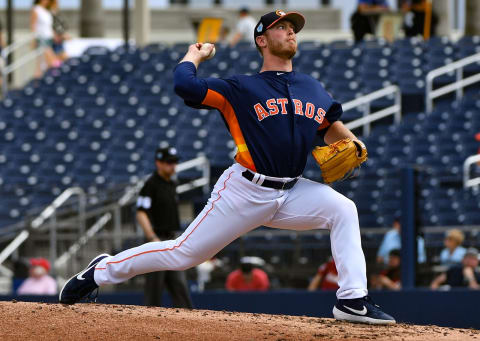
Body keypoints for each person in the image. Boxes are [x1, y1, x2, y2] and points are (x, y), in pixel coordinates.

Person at [59, 10, 395, 325]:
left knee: (344, 210)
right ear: (261, 39)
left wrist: (352, 141)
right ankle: (100, 272)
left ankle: (352, 300)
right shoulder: (240, 88)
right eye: (281, 27)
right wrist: (195, 56)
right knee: (182, 254)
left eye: (293, 28)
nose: (290, 31)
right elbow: (184, 85)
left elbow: (329, 123)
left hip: (292, 190)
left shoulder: (312, 87)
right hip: (245, 190)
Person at [136, 147, 193, 308]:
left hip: (172, 239)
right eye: (169, 162)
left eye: (174, 162)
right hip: (158, 239)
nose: (173, 166)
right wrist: (152, 238)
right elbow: (141, 213)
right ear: (158, 163)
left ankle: (189, 322)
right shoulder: (151, 184)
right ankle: (148, 324)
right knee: (154, 287)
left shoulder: (172, 183)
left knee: (180, 285)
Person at [30, 0, 59, 78]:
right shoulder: (36, 9)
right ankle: (54, 78)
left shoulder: (47, 10)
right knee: (52, 61)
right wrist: (33, 39)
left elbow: (49, 26)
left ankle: (42, 80)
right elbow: (33, 26)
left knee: (41, 64)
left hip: (49, 39)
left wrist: (54, 35)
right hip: (41, 39)